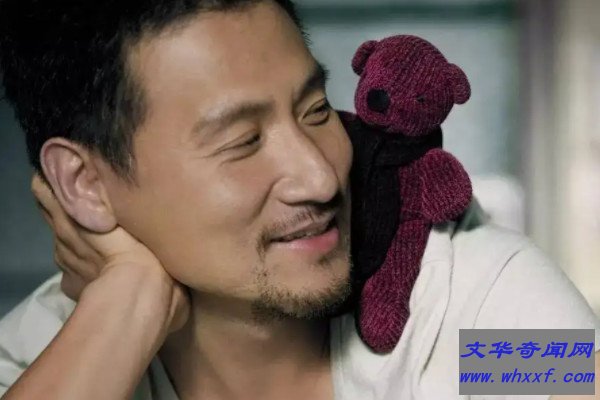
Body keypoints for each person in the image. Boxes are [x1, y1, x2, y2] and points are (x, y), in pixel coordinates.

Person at [0, 0, 598, 399]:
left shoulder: (459, 319)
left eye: (314, 110)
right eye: (242, 141)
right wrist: (128, 301)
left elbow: (575, 378)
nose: (319, 177)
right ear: (85, 184)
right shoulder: (54, 352)